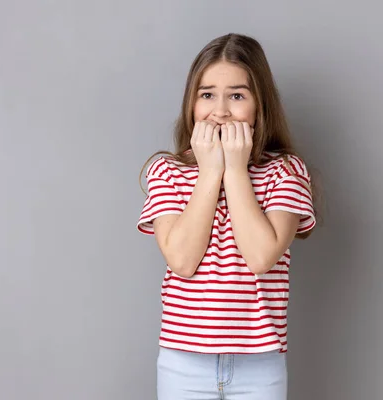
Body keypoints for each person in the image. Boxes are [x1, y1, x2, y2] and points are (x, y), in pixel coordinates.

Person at [137, 32, 321, 400]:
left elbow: (260, 257)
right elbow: (182, 260)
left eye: (237, 95)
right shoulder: (167, 171)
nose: (220, 110)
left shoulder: (286, 171)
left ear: (259, 105)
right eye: (207, 95)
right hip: (183, 363)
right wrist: (209, 171)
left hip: (260, 365)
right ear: (191, 103)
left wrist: (236, 169)